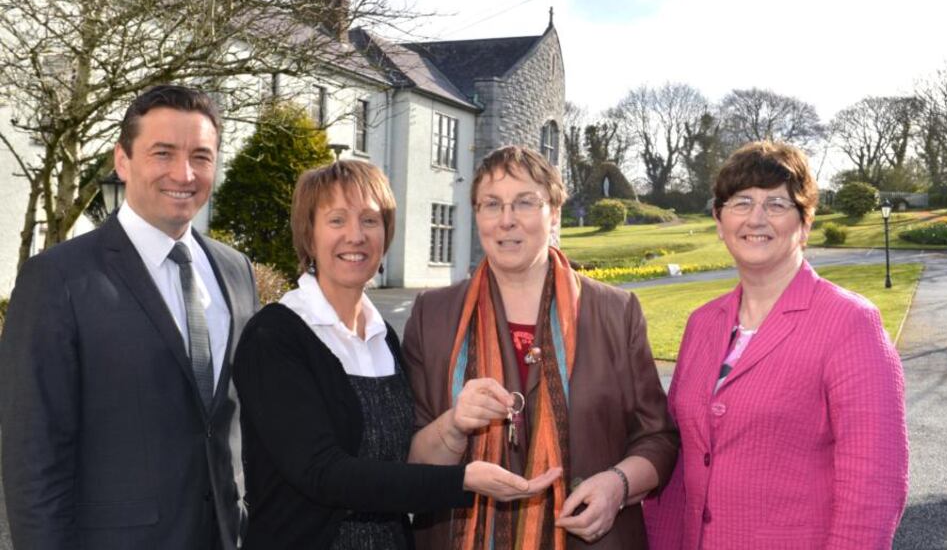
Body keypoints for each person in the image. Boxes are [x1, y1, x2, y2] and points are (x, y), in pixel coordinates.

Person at [231, 159, 561, 550]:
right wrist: (463, 480)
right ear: (309, 234)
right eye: (337, 220)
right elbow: (323, 473)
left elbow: (399, 456)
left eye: (370, 220)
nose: (355, 236)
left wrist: (454, 424)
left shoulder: (381, 335)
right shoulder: (274, 335)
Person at [0, 85, 259, 549]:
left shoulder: (235, 271)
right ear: (123, 160)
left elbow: (237, 420)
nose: (184, 173)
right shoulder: (57, 279)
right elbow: (33, 456)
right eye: (163, 152)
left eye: (201, 156)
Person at [403, 145, 678, 549]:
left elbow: (659, 439)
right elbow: (407, 459)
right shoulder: (433, 316)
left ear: (554, 212)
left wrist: (617, 486)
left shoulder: (615, 312)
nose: (507, 220)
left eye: (525, 203)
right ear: (476, 214)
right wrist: (455, 425)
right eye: (491, 204)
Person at [644, 141, 910, 549]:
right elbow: (682, 462)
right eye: (741, 202)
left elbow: (874, 486)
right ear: (719, 220)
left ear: (804, 223)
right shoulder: (702, 323)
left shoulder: (851, 323)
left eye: (777, 205)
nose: (756, 217)